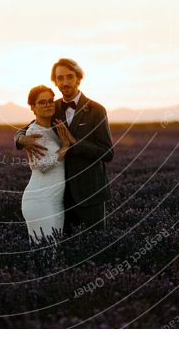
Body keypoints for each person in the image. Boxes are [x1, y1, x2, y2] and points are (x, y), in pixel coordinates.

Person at [15, 58, 114, 234]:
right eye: (60, 78)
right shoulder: (54, 107)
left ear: (78, 79)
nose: (65, 82)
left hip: (90, 193)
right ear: (55, 82)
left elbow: (107, 152)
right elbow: (25, 129)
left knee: (96, 245)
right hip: (61, 197)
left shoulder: (97, 110)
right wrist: (21, 140)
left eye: (70, 77)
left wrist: (75, 143)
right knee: (65, 249)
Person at [20, 85, 74, 246]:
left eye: (50, 101)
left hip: (56, 200)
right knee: (45, 253)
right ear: (33, 107)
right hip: (40, 199)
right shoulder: (32, 132)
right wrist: (64, 148)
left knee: (53, 252)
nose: (48, 105)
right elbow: (41, 165)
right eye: (42, 102)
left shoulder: (55, 128)